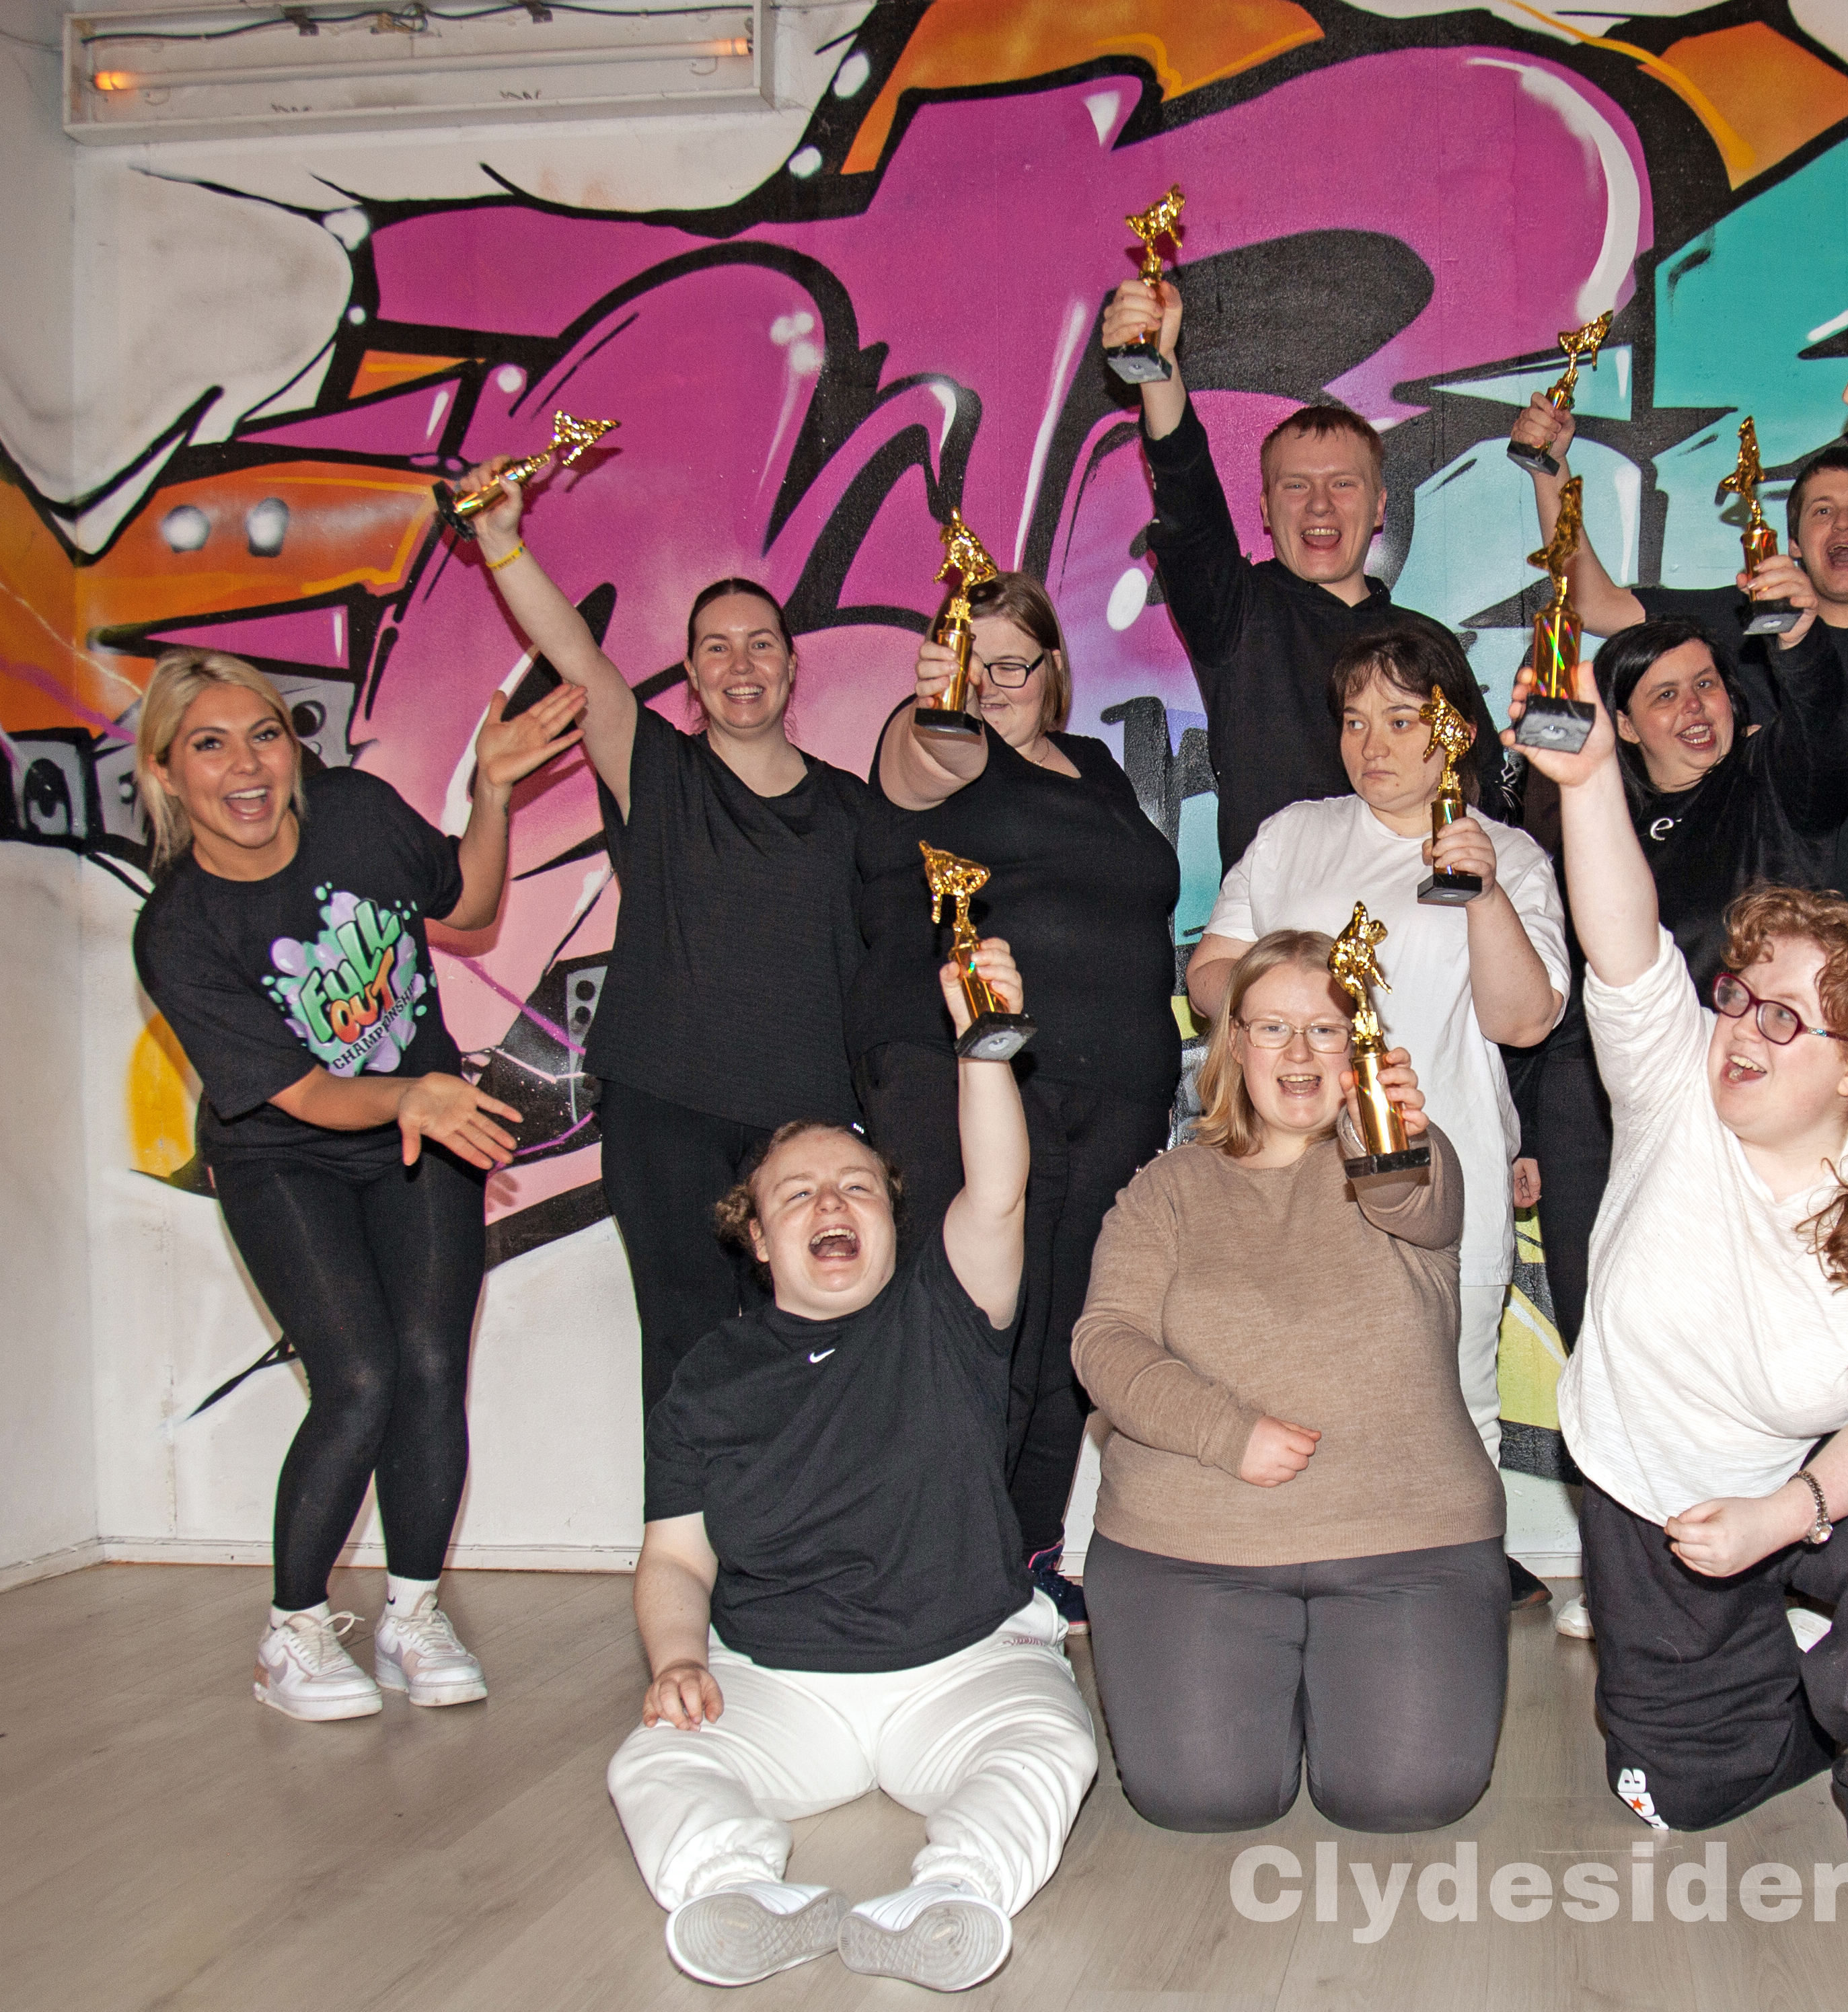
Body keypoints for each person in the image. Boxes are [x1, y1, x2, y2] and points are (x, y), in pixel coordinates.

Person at [1512, 665, 1848, 1926]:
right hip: (1646, 1471)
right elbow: (1619, 935)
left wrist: (1786, 1513)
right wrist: (1585, 783)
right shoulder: (1674, 1083)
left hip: (1823, 1472)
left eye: (1790, 1020)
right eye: (1739, 994)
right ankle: (1816, 1685)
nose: (1741, 1030)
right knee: (1674, 1795)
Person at [607, 946, 1099, 1992]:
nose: (832, 1202)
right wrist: (675, 1662)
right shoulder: (707, 1378)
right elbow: (675, 1560)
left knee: (1054, 1744)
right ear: (757, 1236)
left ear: (891, 1216)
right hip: (781, 1680)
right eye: (799, 1193)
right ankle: (730, 1891)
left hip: (963, 1664)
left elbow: (1000, 1188)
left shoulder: (947, 1313)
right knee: (651, 1756)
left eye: (858, 1187)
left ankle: (951, 1896)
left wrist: (980, 1039)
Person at [131, 647, 582, 1719]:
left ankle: (413, 1612)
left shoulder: (357, 816)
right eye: (209, 743)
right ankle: (291, 1631)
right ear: (165, 774)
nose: (246, 765)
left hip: (417, 1130)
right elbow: (300, 1092)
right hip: (283, 1151)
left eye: (266, 734)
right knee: (361, 1376)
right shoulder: (180, 929)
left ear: (294, 750)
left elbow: (468, 908)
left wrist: (494, 790)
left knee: (429, 1365)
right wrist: (411, 1092)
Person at [1072, 930, 1506, 1832]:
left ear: (1363, 1045)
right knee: (1200, 1798)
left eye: (1327, 1028)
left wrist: (1382, 1125)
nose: (1300, 1051)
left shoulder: (1411, 1159)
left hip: (1407, 1547)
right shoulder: (1166, 1188)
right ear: (1233, 1042)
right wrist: (1224, 1429)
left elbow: (1405, 1193)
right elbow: (1105, 1342)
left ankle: (1341, 1682)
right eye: (1272, 1027)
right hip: (1187, 1548)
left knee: (1408, 1794)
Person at [466, 459, 870, 1411]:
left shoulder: (855, 809)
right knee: (686, 1351)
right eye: (717, 648)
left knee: (802, 1352)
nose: (741, 665)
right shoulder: (658, 772)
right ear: (690, 674)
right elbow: (581, 661)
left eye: (761, 644)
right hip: (667, 1114)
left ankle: (787, 1556)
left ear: (790, 664)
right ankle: (685, 1555)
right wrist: (500, 542)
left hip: (802, 1123)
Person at [1184, 624, 1565, 1602]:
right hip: (1286, 1184)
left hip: (1446, 1179)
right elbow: (1210, 973)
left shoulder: (1512, 857)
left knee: (1456, 1407)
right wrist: (1303, 1008)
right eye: (1355, 720)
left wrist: (1481, 894)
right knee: (1289, 1390)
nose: (1372, 744)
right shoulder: (1297, 832)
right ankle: (1301, 1591)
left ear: (1454, 730)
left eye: (1401, 718)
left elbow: (1525, 1019)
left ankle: (1458, 1613)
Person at [1506, 607, 1848, 1628]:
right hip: (1588, 1100)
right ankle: (1629, 1553)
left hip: (1743, 1095)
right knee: (1605, 1320)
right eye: (1664, 693)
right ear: (1617, 721)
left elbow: (1830, 746)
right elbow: (1566, 981)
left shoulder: (1768, 788)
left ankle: (1794, 1557)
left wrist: (1798, 645)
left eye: (1707, 683)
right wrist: (1532, 1121)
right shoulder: (1575, 816)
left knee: (1763, 1320)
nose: (1695, 706)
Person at [856, 570, 1183, 1628]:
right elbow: (922, 751)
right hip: (987, 1085)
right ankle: (945, 1565)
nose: (991, 684)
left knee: (1067, 1338)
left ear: (1054, 672)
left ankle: (1028, 1557)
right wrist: (928, 700)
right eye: (971, 661)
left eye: (1012, 662)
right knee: (983, 1328)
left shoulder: (1091, 766)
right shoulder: (944, 753)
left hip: (1120, 1087)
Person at [1505, 417, 1848, 944]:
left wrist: (1791, 751)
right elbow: (1591, 603)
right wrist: (1549, 469)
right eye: (1823, 511)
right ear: (1792, 543)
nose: (1843, 526)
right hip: (1767, 946)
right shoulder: (1737, 619)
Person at [1099, 274, 1510, 868]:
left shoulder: (1429, 644)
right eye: (1296, 486)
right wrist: (1159, 371)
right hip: (1280, 939)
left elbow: (1490, 799)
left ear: (1378, 507)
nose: (1320, 505)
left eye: (1343, 484)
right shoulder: (1238, 614)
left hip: (1419, 934)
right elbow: (1190, 513)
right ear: (1266, 510)